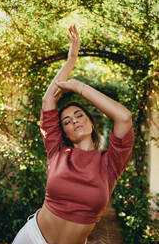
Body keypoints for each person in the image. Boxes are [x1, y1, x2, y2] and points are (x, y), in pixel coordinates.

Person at [12, 25, 134, 244]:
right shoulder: (57, 152)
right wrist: (71, 60)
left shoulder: (110, 162)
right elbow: (48, 100)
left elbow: (124, 117)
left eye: (78, 115)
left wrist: (78, 87)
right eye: (66, 121)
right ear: (64, 132)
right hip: (32, 238)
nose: (74, 121)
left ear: (90, 121)